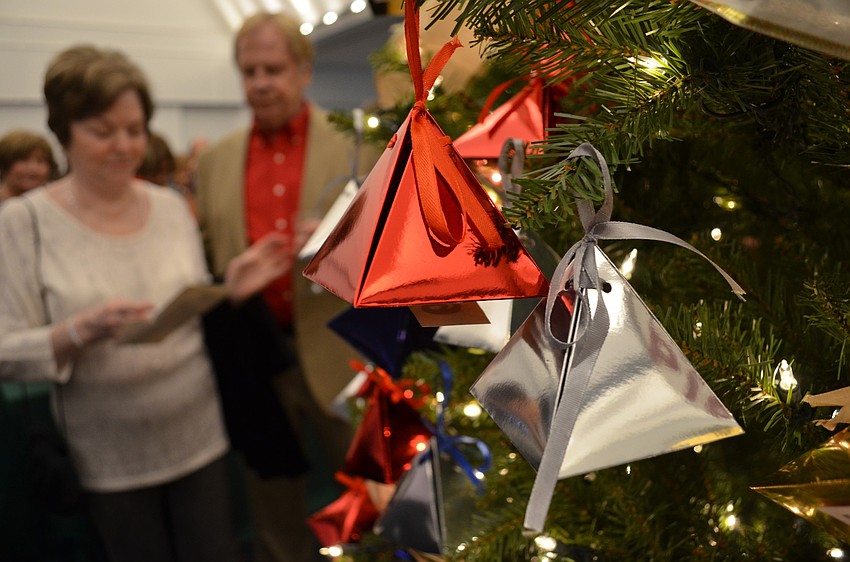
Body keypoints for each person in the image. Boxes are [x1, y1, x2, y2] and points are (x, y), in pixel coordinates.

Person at [0, 44, 291, 562]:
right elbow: (6, 351)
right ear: (64, 130)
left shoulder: (170, 206)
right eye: (103, 131)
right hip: (108, 451)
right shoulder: (24, 223)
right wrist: (78, 331)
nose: (124, 146)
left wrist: (228, 288)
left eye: (135, 130)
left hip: (197, 430)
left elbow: (185, 304)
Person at [194, 11, 378, 562]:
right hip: (256, 359)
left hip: (341, 351)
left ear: (303, 71)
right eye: (249, 71)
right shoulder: (215, 161)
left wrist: (337, 242)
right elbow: (206, 256)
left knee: (371, 494)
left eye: (272, 69)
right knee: (272, 505)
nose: (260, 83)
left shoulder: (357, 148)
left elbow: (391, 250)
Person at [0, 129, 58, 203]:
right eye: (24, 160)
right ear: (4, 164)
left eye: (40, 161)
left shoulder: (56, 202)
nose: (33, 168)